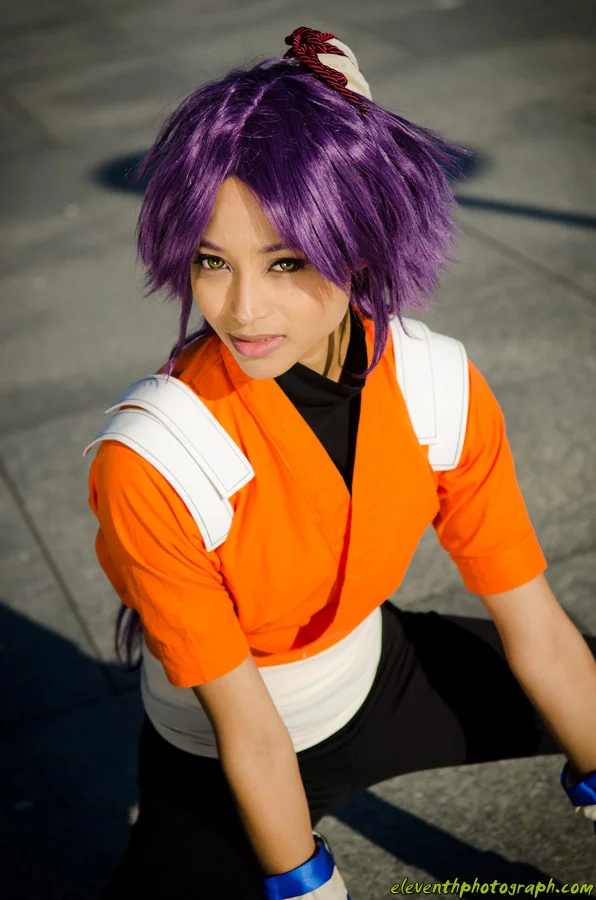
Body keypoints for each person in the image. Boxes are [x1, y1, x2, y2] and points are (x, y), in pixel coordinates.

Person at [86, 26, 596, 900]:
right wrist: (309, 888)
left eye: (286, 261)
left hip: (376, 675)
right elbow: (250, 734)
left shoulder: (439, 387)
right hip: (217, 751)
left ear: (359, 244)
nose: (242, 309)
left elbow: (538, 629)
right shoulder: (153, 458)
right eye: (212, 261)